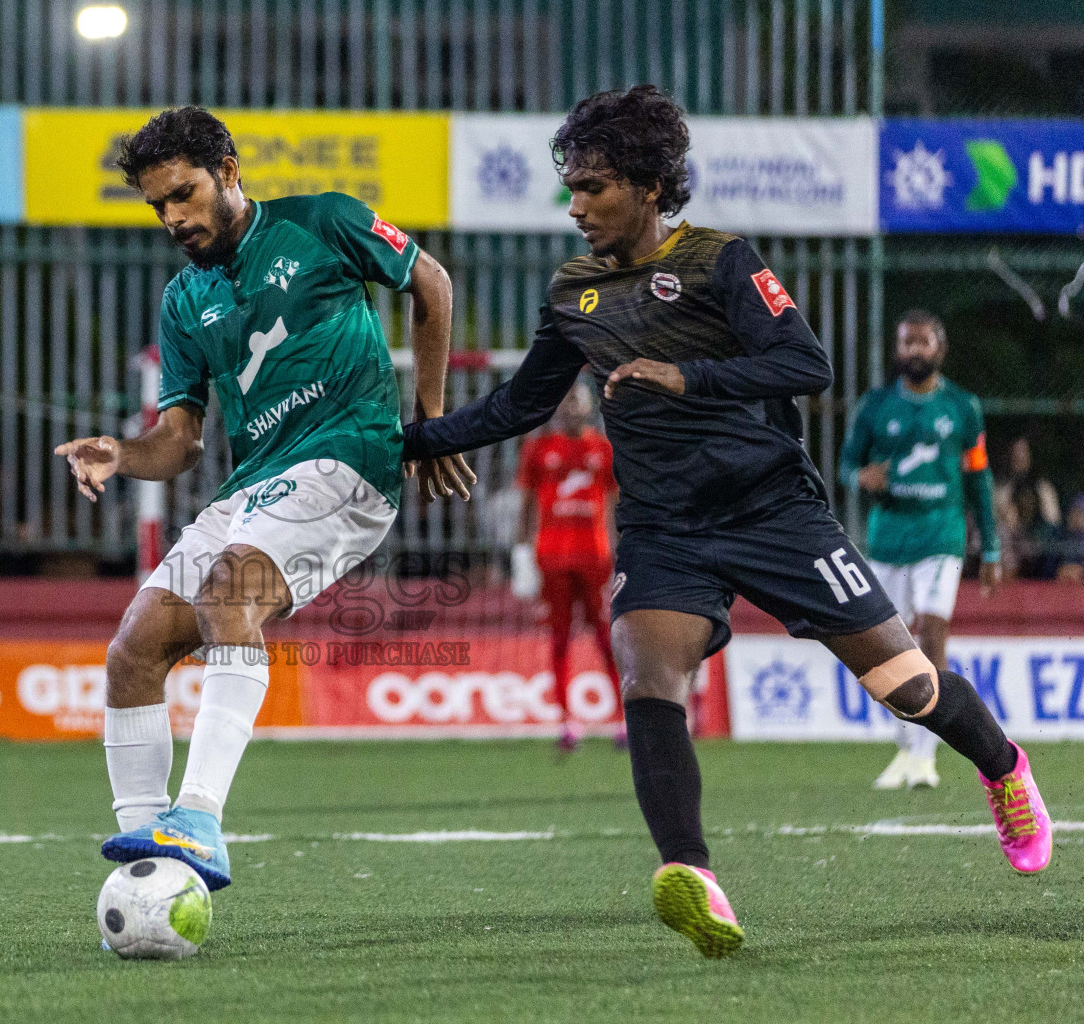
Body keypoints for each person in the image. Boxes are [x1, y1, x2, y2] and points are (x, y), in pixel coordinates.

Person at [402, 85, 1051, 958]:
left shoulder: (720, 261)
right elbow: (522, 401)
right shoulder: (574, 291)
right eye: (572, 187)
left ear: (645, 183)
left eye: (593, 187)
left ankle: (1005, 768)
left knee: (909, 685)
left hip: (773, 509)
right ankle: (691, 874)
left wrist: (684, 376)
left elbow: (806, 362)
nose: (577, 205)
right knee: (645, 673)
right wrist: (410, 439)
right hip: (664, 526)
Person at [55, 106, 472, 892]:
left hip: (349, 458)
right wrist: (122, 453)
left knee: (228, 589)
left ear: (229, 172)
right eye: (158, 206)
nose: (173, 217)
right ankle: (147, 859)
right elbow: (180, 441)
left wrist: (433, 417)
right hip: (255, 486)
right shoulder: (184, 300)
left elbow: (431, 283)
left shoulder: (325, 222)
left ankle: (201, 817)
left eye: (183, 194)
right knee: (133, 648)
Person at [839, 310, 1000, 791]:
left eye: (923, 342)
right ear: (896, 349)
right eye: (906, 342)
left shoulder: (962, 407)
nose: (913, 350)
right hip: (888, 539)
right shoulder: (875, 407)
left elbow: (979, 477)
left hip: (940, 536)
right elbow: (848, 463)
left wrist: (990, 546)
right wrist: (858, 477)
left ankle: (926, 756)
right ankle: (906, 747)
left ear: (940, 348)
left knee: (931, 634)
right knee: (885, 648)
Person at [512, 381, 619, 752]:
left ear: (590, 407)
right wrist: (521, 554)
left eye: (578, 400)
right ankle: (567, 722)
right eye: (567, 401)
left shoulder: (604, 449)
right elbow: (526, 504)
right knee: (559, 639)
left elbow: (615, 507)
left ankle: (621, 719)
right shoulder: (539, 449)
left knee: (607, 637)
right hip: (552, 557)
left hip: (595, 557)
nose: (572, 407)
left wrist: (623, 553)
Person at [995, 438, 1062, 578]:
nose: (1020, 457)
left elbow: (1053, 520)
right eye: (1016, 453)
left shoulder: (1042, 487)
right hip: (1011, 542)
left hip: (1037, 541)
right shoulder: (1003, 487)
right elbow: (998, 519)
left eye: (1024, 453)